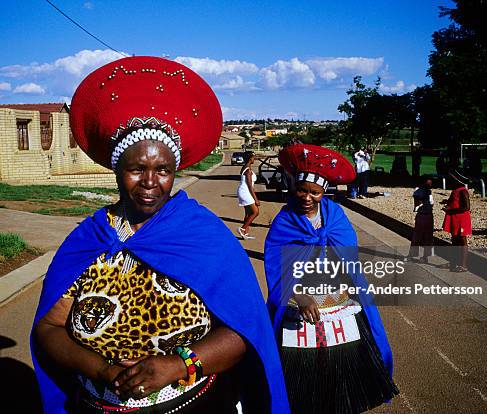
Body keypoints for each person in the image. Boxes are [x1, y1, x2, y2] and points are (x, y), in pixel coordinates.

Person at [31, 56, 289, 414]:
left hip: (194, 403)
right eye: (137, 169)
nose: (151, 182)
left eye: (163, 170)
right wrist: (102, 370)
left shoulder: (203, 236)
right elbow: (49, 327)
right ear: (117, 170)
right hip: (99, 402)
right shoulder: (91, 237)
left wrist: (180, 365)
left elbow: (245, 330)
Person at [265, 144, 398, 414]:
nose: (306, 197)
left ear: (324, 192)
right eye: (301, 190)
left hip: (339, 305)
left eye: (314, 192)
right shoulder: (285, 221)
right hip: (300, 311)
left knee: (343, 376)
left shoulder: (335, 216)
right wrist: (301, 297)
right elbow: (277, 268)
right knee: (302, 382)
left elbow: (348, 257)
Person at [440, 171, 472, 272]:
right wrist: (447, 202)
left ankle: (463, 265)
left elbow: (466, 207)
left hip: (461, 219)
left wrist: (450, 210)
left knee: (462, 241)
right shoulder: (456, 190)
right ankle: (453, 262)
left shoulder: (463, 191)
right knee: (454, 240)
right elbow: (454, 201)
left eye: (452, 180)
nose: (450, 182)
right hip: (455, 218)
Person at [405, 178, 434, 263]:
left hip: (427, 214)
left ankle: (425, 257)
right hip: (423, 214)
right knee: (417, 235)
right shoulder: (421, 191)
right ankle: (413, 255)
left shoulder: (427, 191)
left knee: (427, 236)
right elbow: (428, 202)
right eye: (428, 183)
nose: (429, 185)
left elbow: (430, 203)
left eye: (430, 184)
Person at [237, 151, 260, 240]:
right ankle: (242, 229)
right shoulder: (248, 170)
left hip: (244, 191)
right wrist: (256, 199)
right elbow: (250, 186)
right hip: (245, 191)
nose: (254, 158)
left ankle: (245, 233)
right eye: (254, 157)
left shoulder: (246, 167)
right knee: (255, 212)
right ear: (250, 158)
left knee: (248, 213)